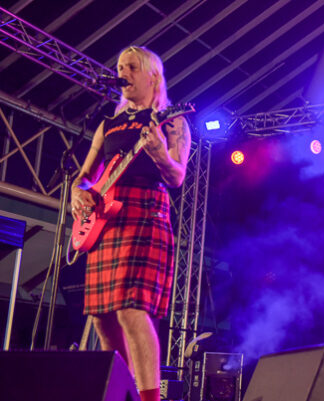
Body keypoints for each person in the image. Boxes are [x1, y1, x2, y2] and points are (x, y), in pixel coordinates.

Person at [70, 46, 191, 401]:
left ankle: (149, 398)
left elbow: (177, 176)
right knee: (101, 317)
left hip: (145, 213)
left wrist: (159, 152)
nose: (123, 73)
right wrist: (78, 192)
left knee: (131, 308)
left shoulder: (172, 121)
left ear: (153, 75)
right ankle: (122, 392)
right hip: (106, 220)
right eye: (120, 67)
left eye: (132, 67)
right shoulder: (107, 125)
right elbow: (84, 176)